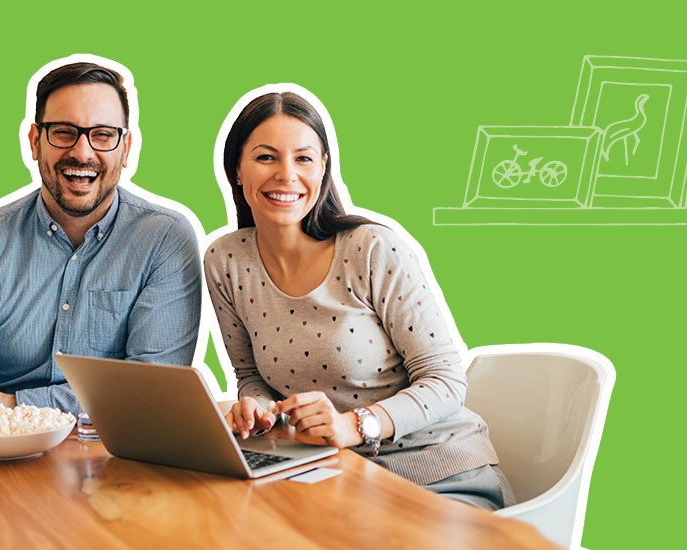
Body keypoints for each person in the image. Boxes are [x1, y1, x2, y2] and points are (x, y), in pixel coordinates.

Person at [208, 87, 512, 510]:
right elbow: (252, 377)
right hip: (331, 476)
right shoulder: (227, 260)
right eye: (265, 157)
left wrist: (356, 425)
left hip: (439, 474)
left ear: (324, 169)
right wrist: (256, 410)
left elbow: (446, 380)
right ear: (237, 170)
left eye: (303, 158)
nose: (286, 174)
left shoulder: (371, 249)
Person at [0, 56, 204, 423]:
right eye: (63, 131)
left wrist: (9, 407)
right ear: (34, 141)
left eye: (103, 135)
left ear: (127, 149)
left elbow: (153, 390)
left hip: (113, 458)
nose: (82, 152)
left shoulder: (165, 240)